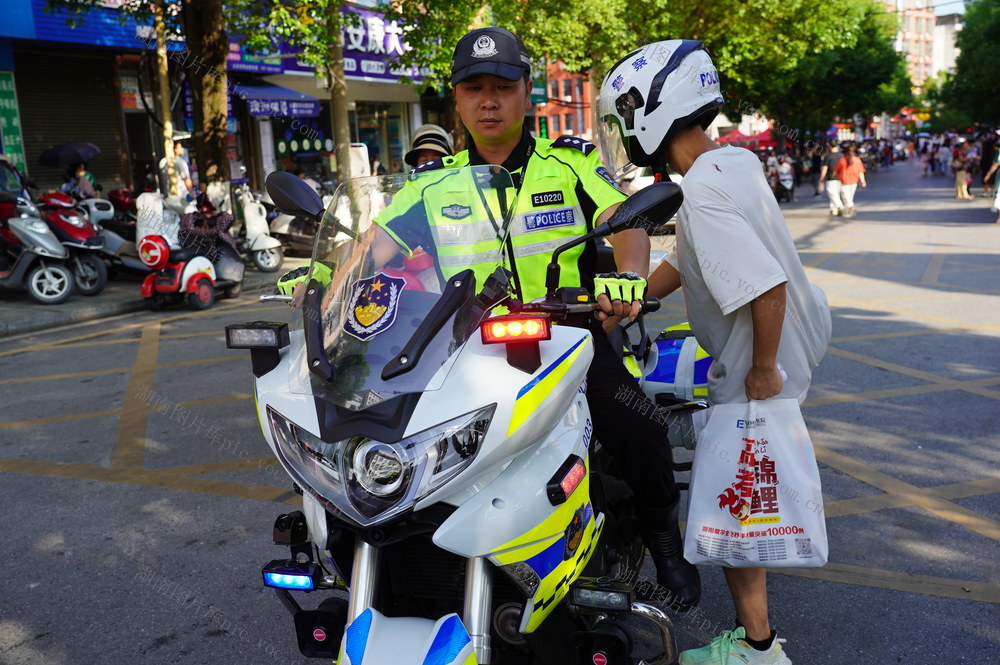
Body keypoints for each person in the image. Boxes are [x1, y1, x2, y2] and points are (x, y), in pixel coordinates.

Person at [277, 26, 701, 610]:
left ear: (527, 92)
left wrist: (626, 278)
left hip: (568, 339)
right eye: (474, 88)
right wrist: (325, 286)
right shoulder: (431, 188)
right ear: (456, 101)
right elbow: (372, 249)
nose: (489, 100)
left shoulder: (567, 166)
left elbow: (627, 221)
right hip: (458, 353)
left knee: (638, 430)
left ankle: (663, 541)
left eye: (502, 86)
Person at [598, 40, 831, 665]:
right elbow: (687, 258)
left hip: (751, 375)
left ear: (651, 110)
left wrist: (761, 369)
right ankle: (757, 643)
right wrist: (640, 295)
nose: (623, 131)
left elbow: (766, 283)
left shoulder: (699, 191)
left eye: (624, 116)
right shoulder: (732, 165)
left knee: (733, 523)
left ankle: (757, 650)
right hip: (770, 366)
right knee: (741, 518)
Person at [833, 143, 866, 218]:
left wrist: (833, 176)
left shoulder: (842, 160)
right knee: (849, 197)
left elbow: (836, 171)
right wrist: (863, 181)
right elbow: (861, 172)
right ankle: (848, 210)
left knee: (846, 196)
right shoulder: (857, 160)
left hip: (844, 181)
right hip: (854, 181)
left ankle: (850, 207)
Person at [818, 139, 844, 216]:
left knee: (832, 192)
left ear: (829, 146)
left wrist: (822, 177)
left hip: (831, 177)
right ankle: (834, 209)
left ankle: (839, 206)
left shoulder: (828, 156)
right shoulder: (841, 155)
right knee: (836, 193)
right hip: (840, 177)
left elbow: (825, 168)